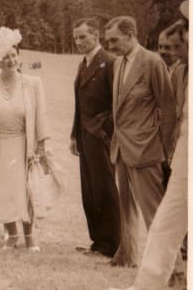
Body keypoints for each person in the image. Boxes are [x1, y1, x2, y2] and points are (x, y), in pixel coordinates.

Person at [107, 0, 188, 290]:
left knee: (159, 216)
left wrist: (164, 150)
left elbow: (167, 109)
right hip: (121, 150)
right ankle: (127, 255)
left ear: (131, 35)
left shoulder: (152, 62)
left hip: (146, 152)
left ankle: (177, 274)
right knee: (127, 210)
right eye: (108, 41)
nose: (111, 45)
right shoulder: (118, 63)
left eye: (115, 40)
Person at [0, 27, 51, 251]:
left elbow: (41, 115)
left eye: (13, 56)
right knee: (4, 191)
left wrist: (41, 145)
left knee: (25, 191)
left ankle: (29, 237)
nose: (10, 60)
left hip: (23, 144)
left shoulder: (33, 83)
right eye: (5, 57)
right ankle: (11, 235)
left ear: (18, 58)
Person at [69, 18, 121, 258]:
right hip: (84, 135)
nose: (79, 41)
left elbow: (116, 103)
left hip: (99, 136)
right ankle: (98, 241)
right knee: (89, 190)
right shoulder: (84, 63)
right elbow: (80, 105)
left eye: (83, 37)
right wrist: (74, 134)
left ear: (96, 36)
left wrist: (104, 131)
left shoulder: (109, 62)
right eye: (76, 37)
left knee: (104, 189)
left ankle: (110, 243)